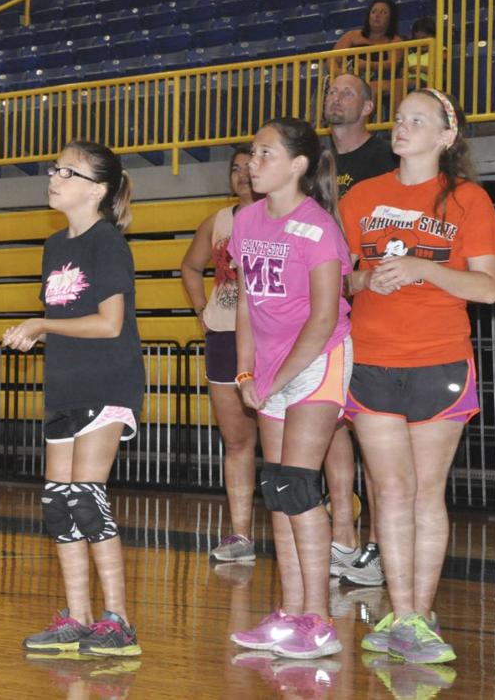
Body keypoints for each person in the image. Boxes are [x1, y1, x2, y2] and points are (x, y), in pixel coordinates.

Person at [341, 89, 495, 664]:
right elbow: (340, 279)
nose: (402, 127)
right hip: (372, 360)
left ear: (445, 137)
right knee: (389, 491)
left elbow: (487, 287)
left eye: (418, 120)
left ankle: (417, 614)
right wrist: (366, 282)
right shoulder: (361, 196)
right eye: (400, 118)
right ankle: (400, 611)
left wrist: (420, 270)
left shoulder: (468, 200)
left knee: (424, 493)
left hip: (438, 359)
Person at [4, 140, 144, 658]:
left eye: (68, 171)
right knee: (58, 504)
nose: (54, 176)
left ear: (98, 190)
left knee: (87, 495)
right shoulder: (54, 244)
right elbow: (68, 321)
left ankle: (118, 621)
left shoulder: (107, 242)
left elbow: (110, 324)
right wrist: (38, 332)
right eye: (54, 168)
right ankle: (77, 619)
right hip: (65, 385)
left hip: (107, 382)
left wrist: (40, 323)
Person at [227, 118, 353, 660]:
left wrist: (278, 378)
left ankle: (319, 620)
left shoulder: (318, 227)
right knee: (277, 492)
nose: (253, 163)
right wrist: (247, 373)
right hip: (271, 368)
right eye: (252, 153)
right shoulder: (246, 221)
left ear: (298, 165)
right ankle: (289, 612)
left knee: (299, 487)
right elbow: (248, 308)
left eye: (264, 154)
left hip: (317, 360)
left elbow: (324, 318)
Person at [322, 70, 397, 587]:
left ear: (369, 107)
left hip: (371, 302)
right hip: (327, 296)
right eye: (330, 90)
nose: (335, 96)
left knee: (374, 431)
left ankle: (376, 544)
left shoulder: (384, 159)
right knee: (330, 423)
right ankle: (344, 538)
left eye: (347, 91)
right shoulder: (316, 160)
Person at [180, 145, 260, 562]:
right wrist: (202, 311)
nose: (243, 174)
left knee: (290, 445)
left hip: (274, 338)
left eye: (251, 166)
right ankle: (240, 535)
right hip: (226, 334)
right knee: (236, 441)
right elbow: (190, 266)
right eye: (236, 168)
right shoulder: (219, 221)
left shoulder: (289, 217)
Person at [333, 0, 404, 103]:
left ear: (391, 18)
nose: (377, 15)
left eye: (383, 12)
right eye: (373, 11)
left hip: (378, 81)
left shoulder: (395, 40)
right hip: (348, 75)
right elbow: (332, 59)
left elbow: (392, 63)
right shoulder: (352, 35)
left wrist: (368, 65)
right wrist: (341, 74)